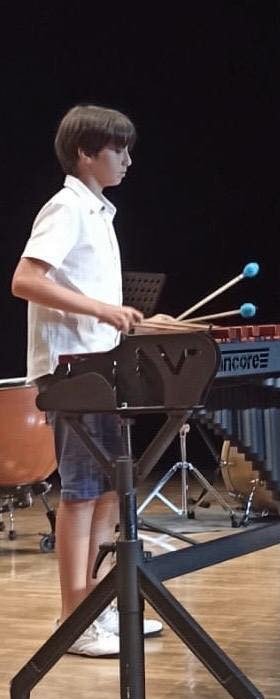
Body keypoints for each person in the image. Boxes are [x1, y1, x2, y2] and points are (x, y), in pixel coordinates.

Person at [11, 104, 163, 657]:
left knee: (108, 491)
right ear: (85, 153)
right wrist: (102, 310)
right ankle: (74, 622)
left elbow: (90, 301)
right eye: (118, 150)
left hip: (101, 367)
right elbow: (25, 280)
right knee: (81, 494)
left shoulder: (98, 213)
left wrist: (139, 322)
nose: (127, 160)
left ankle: (95, 609)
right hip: (72, 371)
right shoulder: (67, 208)